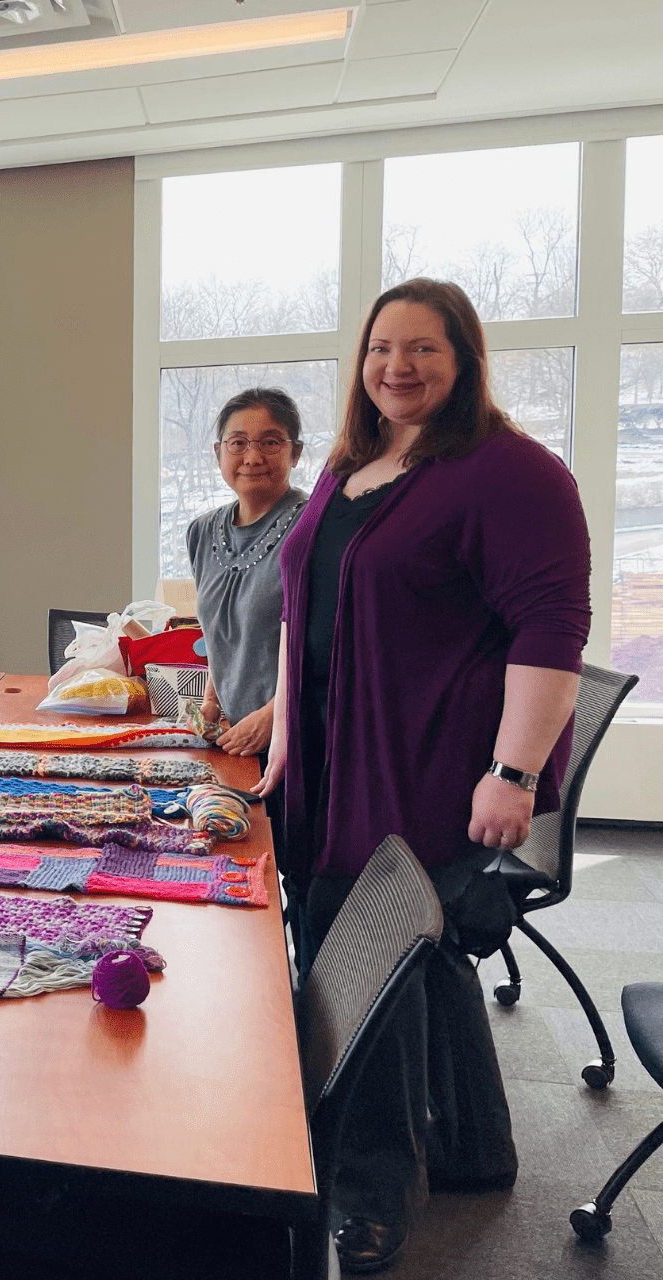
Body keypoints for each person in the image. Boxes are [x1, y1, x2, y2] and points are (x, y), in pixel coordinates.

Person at [259, 279, 589, 1274]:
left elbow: (550, 626)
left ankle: (367, 1191)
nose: (397, 366)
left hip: (424, 755)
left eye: (423, 349)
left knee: (361, 967)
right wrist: (280, 731)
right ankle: (474, 1147)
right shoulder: (352, 464)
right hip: (329, 743)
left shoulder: (510, 471)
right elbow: (298, 607)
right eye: (380, 349)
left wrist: (513, 770)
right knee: (393, 951)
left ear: (466, 358)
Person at [187, 388, 308, 758]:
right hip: (238, 738)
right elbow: (218, 633)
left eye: (270, 442)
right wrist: (212, 702)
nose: (252, 458)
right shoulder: (202, 532)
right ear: (218, 452)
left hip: (300, 737)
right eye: (237, 443)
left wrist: (275, 717)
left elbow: (333, 646)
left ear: (296, 452)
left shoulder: (313, 527)